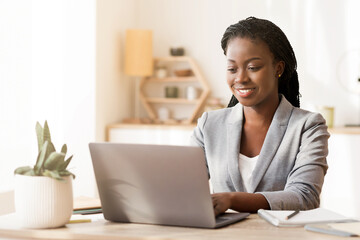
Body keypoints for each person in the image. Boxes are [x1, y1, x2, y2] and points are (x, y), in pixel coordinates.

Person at [191, 17, 330, 216]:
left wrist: (232, 199)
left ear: (278, 69)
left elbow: (304, 196)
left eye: (253, 67)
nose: (240, 78)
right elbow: (184, 187)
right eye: (232, 69)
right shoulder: (209, 125)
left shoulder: (308, 126)